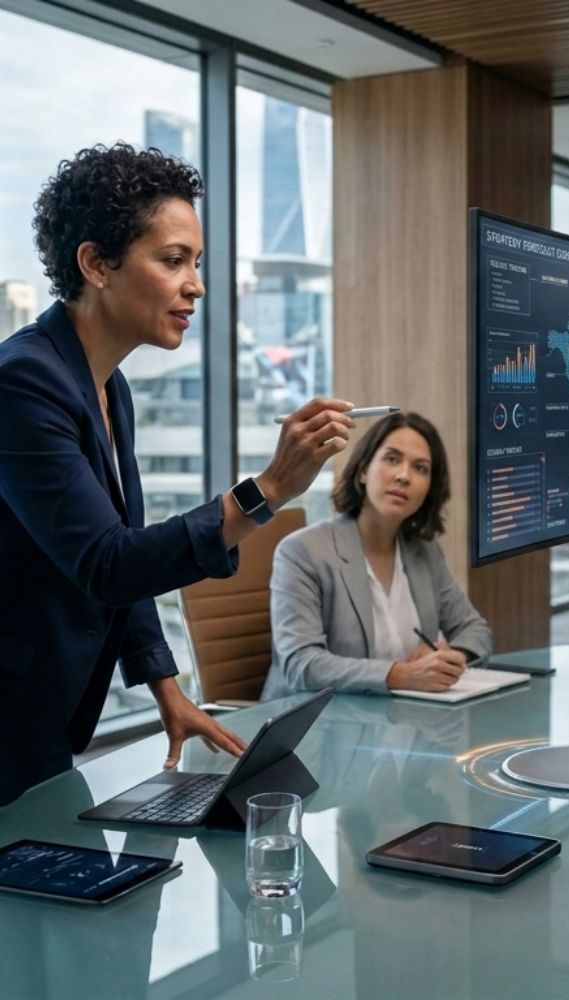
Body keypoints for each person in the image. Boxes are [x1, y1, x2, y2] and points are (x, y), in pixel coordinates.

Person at [0, 143, 354, 807]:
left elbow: (122, 544)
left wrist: (167, 689)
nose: (195, 284)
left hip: (43, 718)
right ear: (96, 263)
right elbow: (108, 564)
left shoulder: (111, 388)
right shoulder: (22, 382)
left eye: (195, 262)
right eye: (173, 260)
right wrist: (268, 490)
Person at [263, 410, 492, 698]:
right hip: (316, 728)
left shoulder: (425, 553)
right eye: (392, 459)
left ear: (429, 489)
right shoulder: (304, 552)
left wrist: (450, 656)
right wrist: (398, 675)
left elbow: (476, 631)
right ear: (363, 470)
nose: (404, 476)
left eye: (420, 468)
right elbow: (301, 664)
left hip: (401, 722)